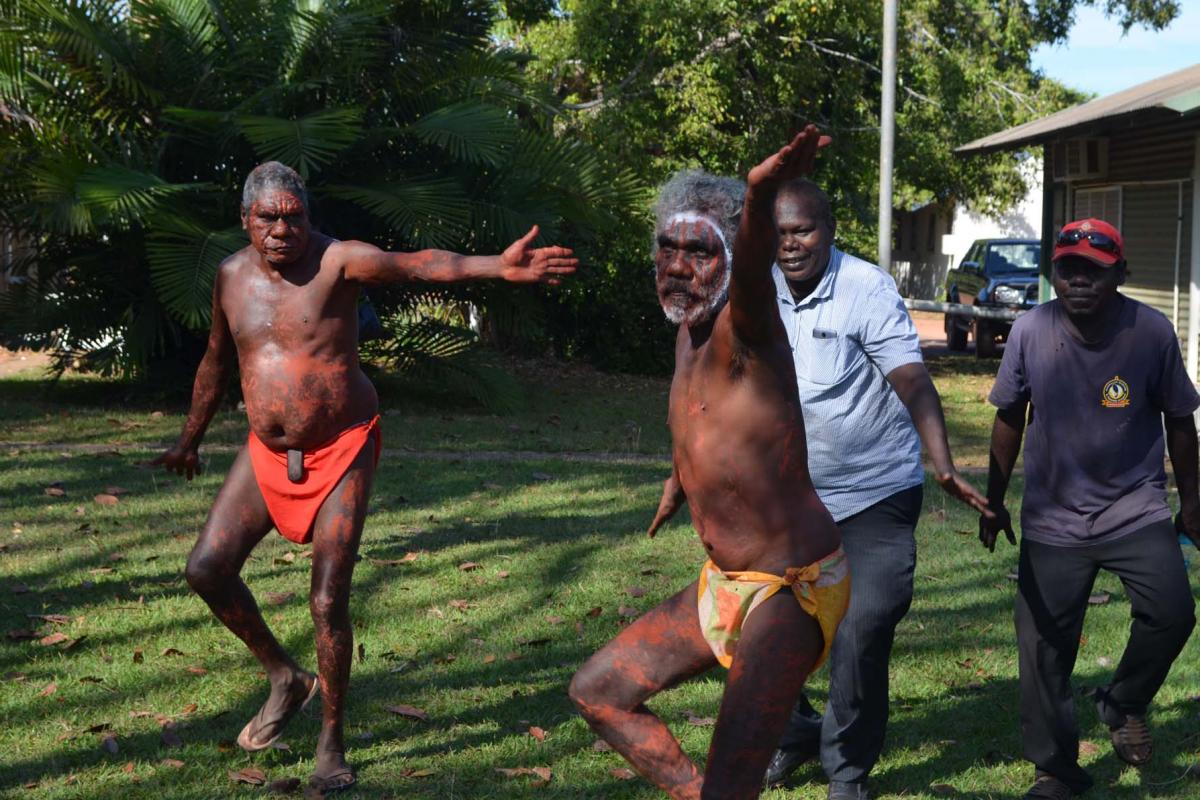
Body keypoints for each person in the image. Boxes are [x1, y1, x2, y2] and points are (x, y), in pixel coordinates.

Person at [152, 161, 577, 794]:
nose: (281, 230)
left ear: (309, 216)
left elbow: (419, 264)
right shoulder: (230, 276)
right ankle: (285, 678)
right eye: (267, 218)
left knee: (327, 599)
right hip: (267, 453)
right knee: (206, 569)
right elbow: (217, 360)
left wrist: (497, 266)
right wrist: (188, 440)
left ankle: (331, 741)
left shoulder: (339, 262)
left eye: (294, 217)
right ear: (245, 221)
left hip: (341, 446)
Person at [653, 178, 992, 799]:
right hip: (783, 501)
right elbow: (705, 391)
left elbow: (912, 379)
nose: (790, 245)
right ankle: (793, 733)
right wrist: (679, 476)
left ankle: (846, 773)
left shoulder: (864, 289)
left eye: (803, 230)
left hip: (872, 492)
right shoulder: (746, 288)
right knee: (760, 628)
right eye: (778, 233)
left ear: (830, 230)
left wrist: (941, 461)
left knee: (863, 626)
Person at [569, 127, 849, 800]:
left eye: (699, 250)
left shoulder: (746, 327)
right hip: (722, 585)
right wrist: (679, 482)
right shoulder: (688, 333)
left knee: (734, 785)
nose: (679, 264)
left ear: (728, 259)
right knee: (598, 693)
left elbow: (754, 266)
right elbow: (710, 428)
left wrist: (760, 192)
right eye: (668, 247)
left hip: (789, 590)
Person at [979, 218, 1199, 799]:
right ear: (1053, 273)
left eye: (1093, 271)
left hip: (1136, 508)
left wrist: (1193, 504)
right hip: (1054, 516)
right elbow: (1008, 417)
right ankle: (1055, 769)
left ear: (1120, 274)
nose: (1078, 281)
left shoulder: (1150, 332)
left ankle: (1121, 699)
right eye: (1067, 268)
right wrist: (992, 501)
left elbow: (1180, 420)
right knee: (1043, 647)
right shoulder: (1030, 330)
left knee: (1173, 613)